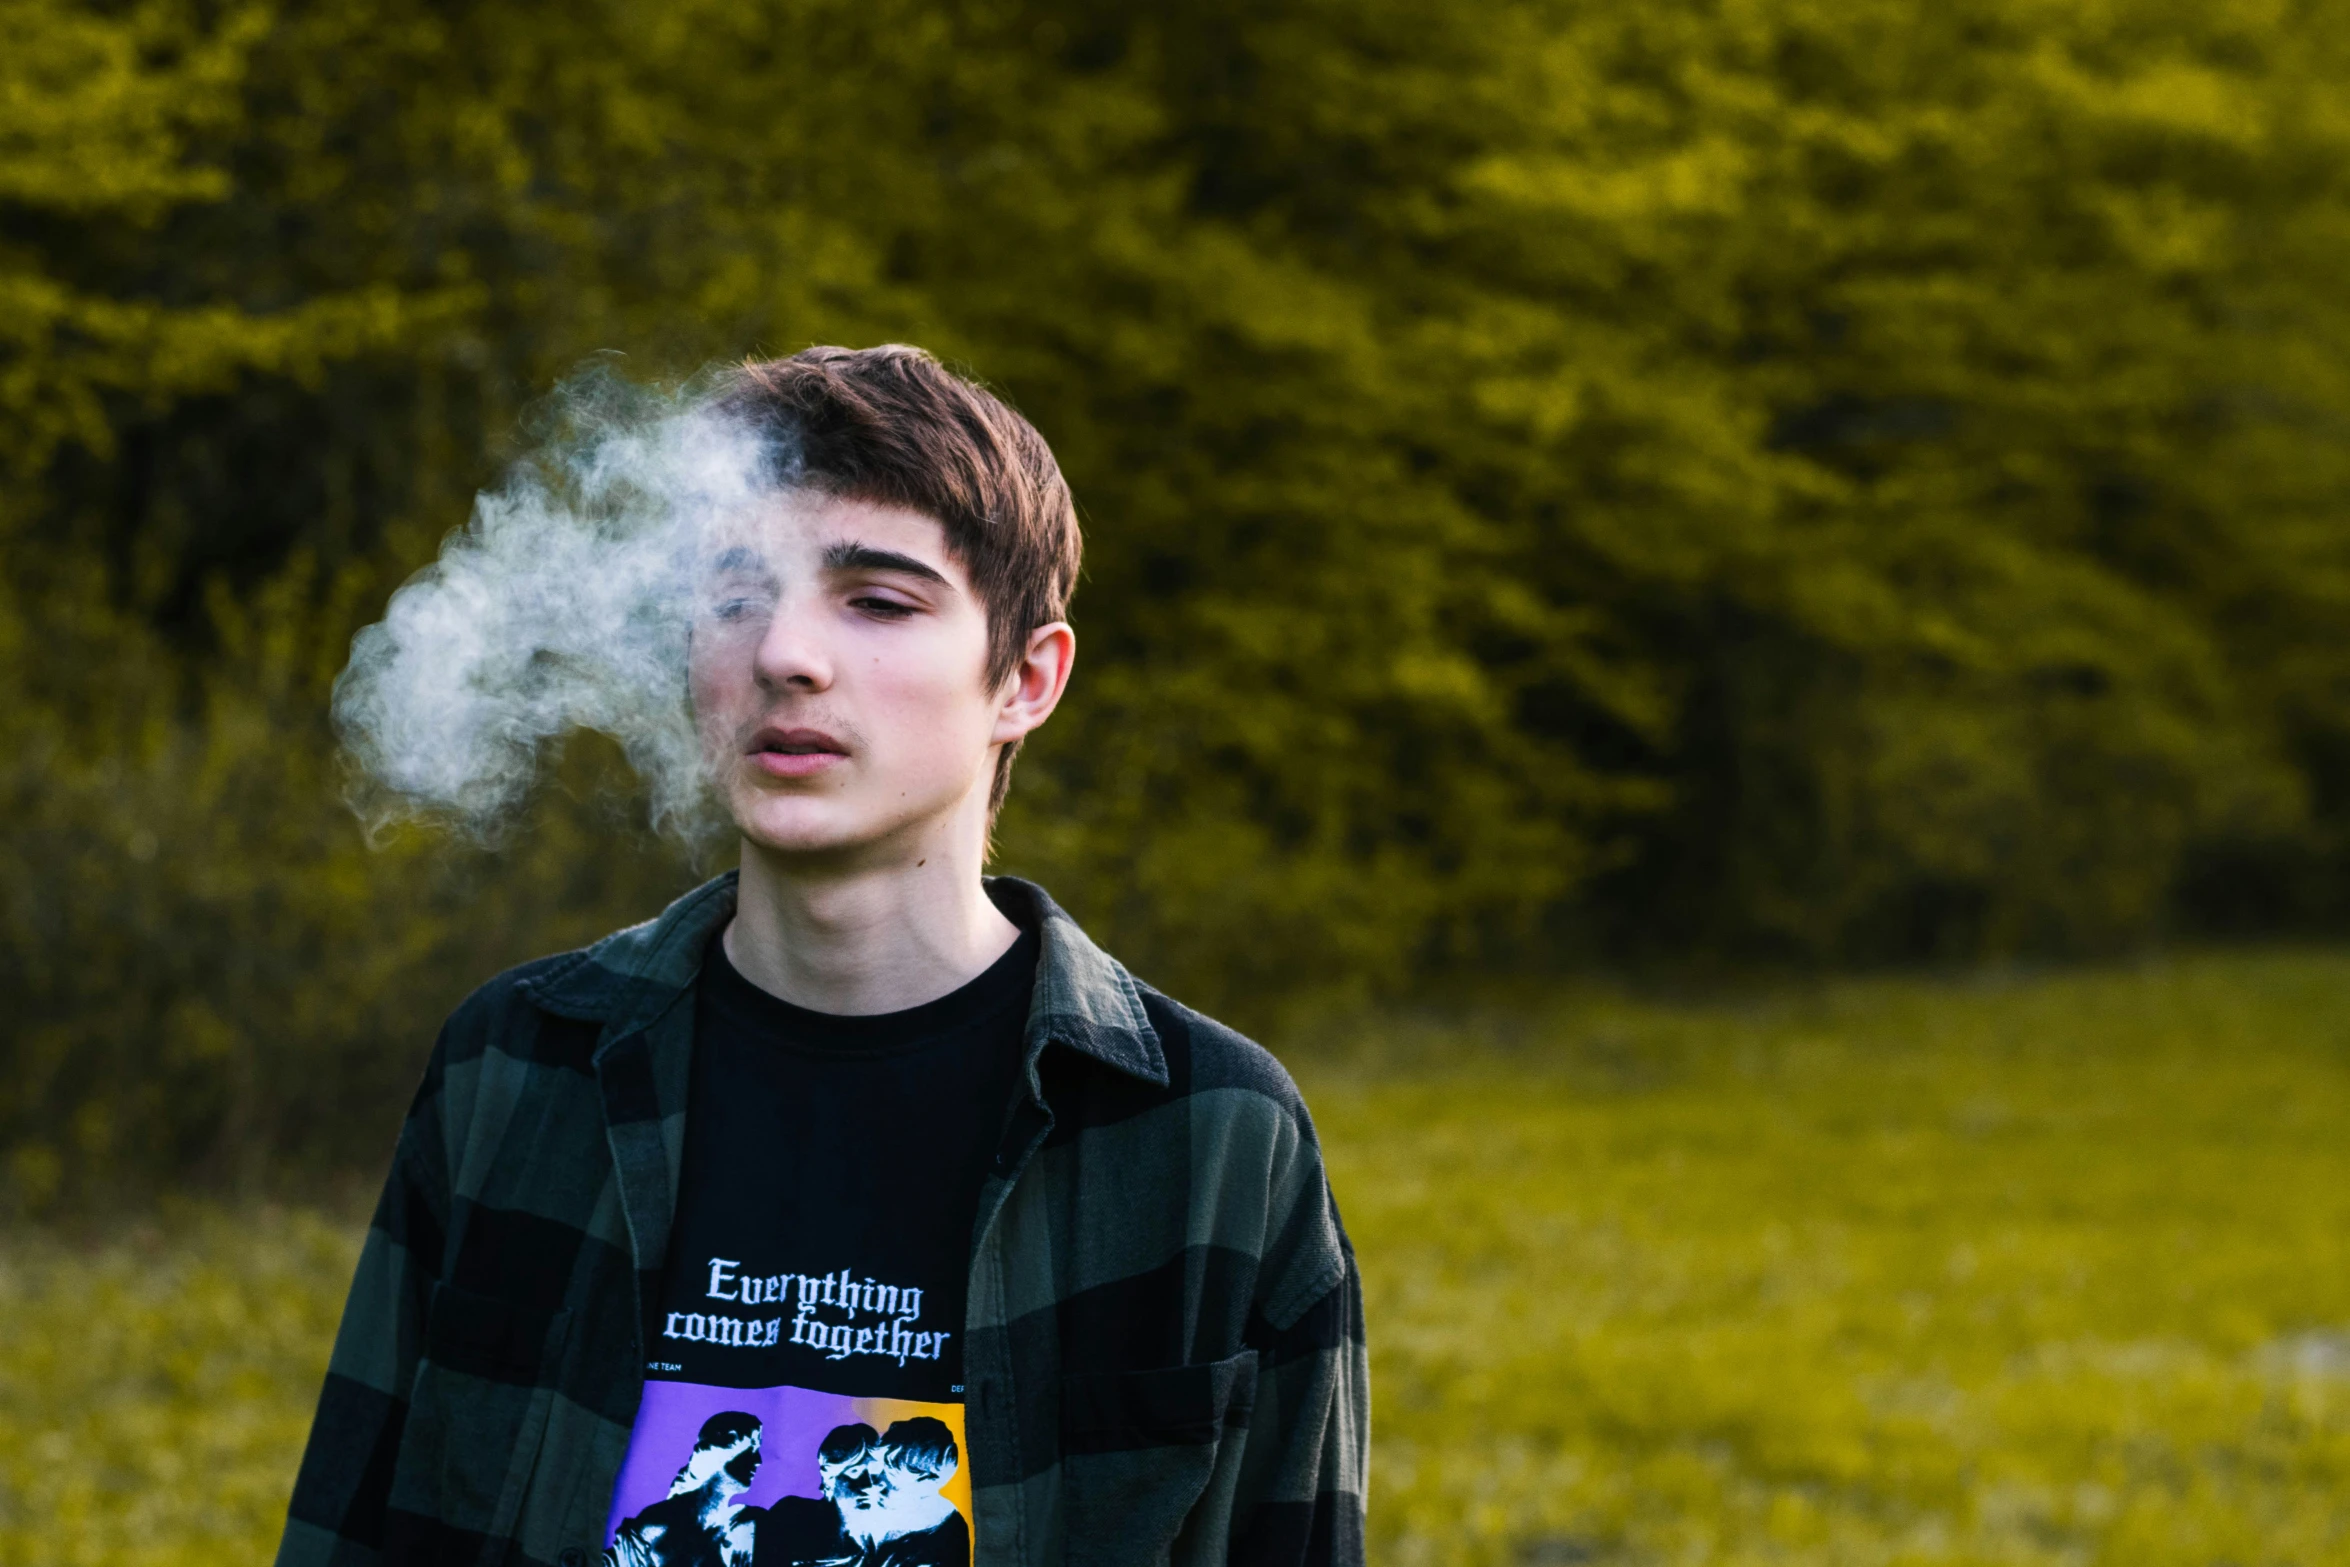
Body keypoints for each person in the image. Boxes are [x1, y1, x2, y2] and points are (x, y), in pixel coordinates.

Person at [273, 345, 1367, 1566]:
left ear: (1025, 679)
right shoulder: (516, 1065)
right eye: (736, 596)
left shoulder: (1211, 1135)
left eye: (877, 600)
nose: (786, 653)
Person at [607, 1413, 766, 1567]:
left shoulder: (749, 1524)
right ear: (722, 1448)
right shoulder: (657, 1523)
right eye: (752, 1448)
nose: (758, 1461)